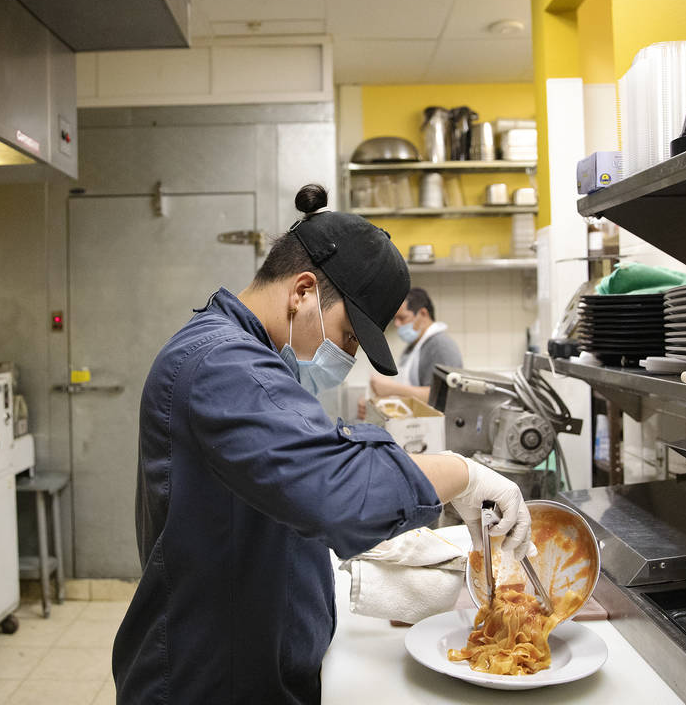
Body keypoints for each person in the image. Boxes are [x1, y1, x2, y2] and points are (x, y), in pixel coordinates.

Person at [112, 184, 533, 705]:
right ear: (303, 291)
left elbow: (288, 491)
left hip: (249, 659)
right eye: (348, 337)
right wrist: (460, 473)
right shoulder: (220, 364)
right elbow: (339, 490)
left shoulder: (246, 359)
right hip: (209, 678)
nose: (345, 356)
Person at [367, 287, 462, 408]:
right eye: (395, 319)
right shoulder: (413, 347)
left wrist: (392, 389)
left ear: (423, 314)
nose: (397, 324)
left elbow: (444, 397)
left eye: (402, 318)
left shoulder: (440, 346)